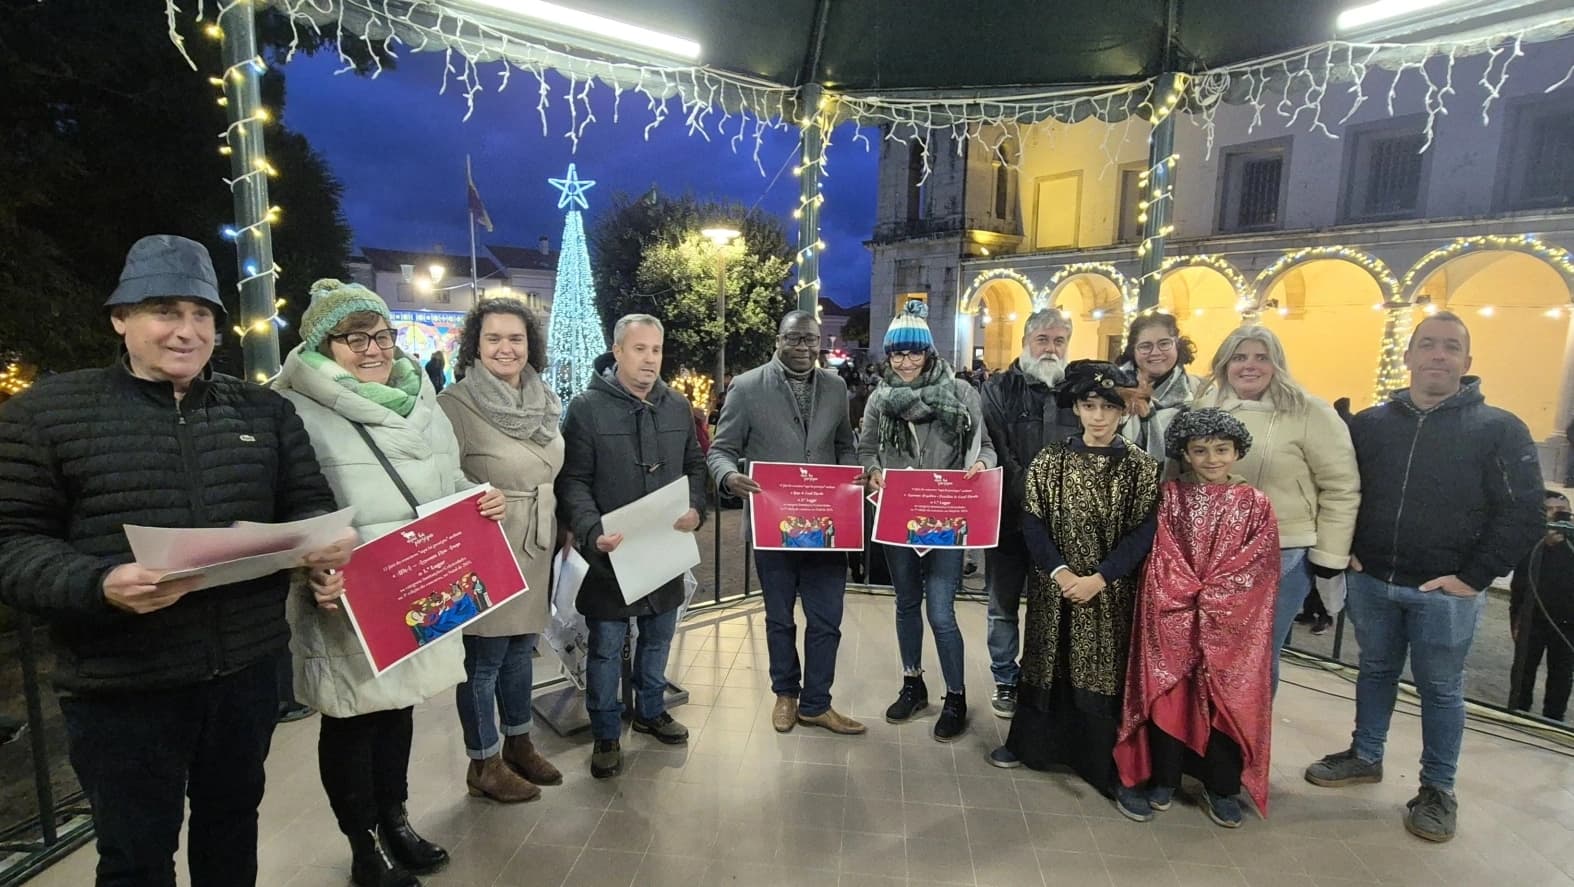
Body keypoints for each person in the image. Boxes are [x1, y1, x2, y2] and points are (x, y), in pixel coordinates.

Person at [0, 235, 349, 886]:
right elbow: (13, 541)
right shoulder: (47, 415)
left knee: (231, 829)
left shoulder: (264, 412)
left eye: (201, 314)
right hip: (123, 686)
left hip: (244, 673)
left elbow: (307, 502)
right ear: (120, 318)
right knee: (135, 855)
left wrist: (323, 554)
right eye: (164, 310)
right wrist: (100, 582)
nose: (186, 331)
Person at [275, 279, 507, 887]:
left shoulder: (419, 396)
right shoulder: (292, 407)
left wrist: (478, 499)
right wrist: (309, 563)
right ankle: (363, 843)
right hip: (347, 591)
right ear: (322, 345)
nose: (374, 349)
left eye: (382, 335)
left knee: (398, 708)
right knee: (352, 718)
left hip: (417, 581)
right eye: (355, 338)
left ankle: (395, 820)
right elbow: (284, 504)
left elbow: (445, 477)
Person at [1304, 311, 1543, 844]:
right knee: (1374, 671)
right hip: (1373, 580)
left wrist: (1475, 576)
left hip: (1446, 593)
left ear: (1467, 361)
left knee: (1440, 690)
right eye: (1428, 344)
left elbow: (1524, 511)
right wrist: (1349, 549)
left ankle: (1437, 789)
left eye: (1450, 347)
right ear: (1408, 355)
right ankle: (1366, 754)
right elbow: (1342, 488)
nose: (1438, 354)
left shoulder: (1499, 429)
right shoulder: (1371, 424)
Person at [988, 360, 1161, 801]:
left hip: (1108, 592)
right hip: (1055, 587)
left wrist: (1100, 578)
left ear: (1122, 412)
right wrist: (1061, 572)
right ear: (1077, 409)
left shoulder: (1140, 467)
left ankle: (1102, 761)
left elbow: (1143, 531)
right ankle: (1031, 745)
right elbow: (1033, 520)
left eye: (1108, 407)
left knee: (1101, 668)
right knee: (1046, 657)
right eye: (1090, 406)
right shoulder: (1052, 460)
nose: (1098, 416)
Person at [556, 314, 708, 779]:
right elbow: (573, 480)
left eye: (656, 350)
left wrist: (696, 507)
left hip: (664, 550)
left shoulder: (677, 406)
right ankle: (606, 733)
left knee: (659, 636)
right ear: (618, 351)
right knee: (606, 646)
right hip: (611, 553)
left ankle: (650, 710)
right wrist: (591, 529)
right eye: (639, 349)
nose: (649, 359)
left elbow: (695, 466)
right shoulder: (585, 408)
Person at [1113, 409, 1280, 828]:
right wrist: (1185, 594)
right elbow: (1163, 551)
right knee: (1171, 693)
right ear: (1185, 453)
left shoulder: (1256, 504)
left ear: (1237, 452)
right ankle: (1165, 778)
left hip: (1231, 622)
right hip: (1173, 613)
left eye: (1222, 450)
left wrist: (1217, 599)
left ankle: (1221, 785)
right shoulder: (1170, 496)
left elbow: (1258, 564)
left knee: (1224, 697)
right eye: (1200, 450)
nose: (1211, 459)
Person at [710, 310, 864, 736]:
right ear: (778, 340)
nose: (803, 347)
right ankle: (785, 694)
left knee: (826, 619)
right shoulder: (747, 387)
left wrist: (851, 475)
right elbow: (720, 450)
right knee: (780, 618)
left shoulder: (835, 387)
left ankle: (817, 704)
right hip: (774, 527)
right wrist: (728, 477)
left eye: (810, 340)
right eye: (794, 339)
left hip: (827, 527)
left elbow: (844, 445)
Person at [437, 298, 565, 804]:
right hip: (487, 540)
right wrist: (472, 497)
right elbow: (439, 478)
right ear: (476, 344)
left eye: (516, 338)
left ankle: (518, 742)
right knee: (484, 657)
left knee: (519, 650)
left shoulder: (544, 399)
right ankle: (484, 761)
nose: (505, 348)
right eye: (493, 338)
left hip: (536, 536)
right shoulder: (455, 404)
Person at [858, 300, 996, 742]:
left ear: (928, 352)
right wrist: (873, 471)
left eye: (914, 352)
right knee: (905, 603)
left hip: (946, 518)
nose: (905, 362)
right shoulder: (880, 399)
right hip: (898, 516)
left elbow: (985, 445)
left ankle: (955, 696)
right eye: (897, 353)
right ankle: (912, 683)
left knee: (940, 610)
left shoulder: (960, 393)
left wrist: (980, 464)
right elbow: (866, 450)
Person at [1194, 325, 1360, 689]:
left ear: (1277, 363)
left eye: (1261, 357)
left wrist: (1330, 556)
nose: (1249, 366)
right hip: (1214, 553)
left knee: (1257, 658)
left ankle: (1251, 727)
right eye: (1239, 357)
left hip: (1283, 552)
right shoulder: (1205, 407)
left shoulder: (1309, 411)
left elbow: (1341, 486)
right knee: (1210, 654)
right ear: (1224, 364)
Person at [979, 308, 1082, 719]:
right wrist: (1036, 499)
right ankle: (1006, 678)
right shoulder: (999, 388)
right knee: (1002, 605)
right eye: (1042, 340)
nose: (1050, 348)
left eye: (1059, 341)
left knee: (1049, 606)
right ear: (1026, 342)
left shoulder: (1076, 390)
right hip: (1007, 519)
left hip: (1060, 526)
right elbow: (999, 450)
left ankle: (1038, 679)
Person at [1508, 490, 1574, 722]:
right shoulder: (1532, 543)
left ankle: (1553, 718)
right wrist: (1515, 618)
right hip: (1532, 618)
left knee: (1562, 674)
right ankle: (1518, 712)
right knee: (1523, 670)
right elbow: (1518, 584)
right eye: (1550, 511)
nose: (1556, 516)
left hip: (1568, 623)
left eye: (1562, 511)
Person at [1118, 313, 1203, 461]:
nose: (1156, 352)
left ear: (1177, 345)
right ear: (1133, 350)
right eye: (1145, 346)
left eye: (1164, 344)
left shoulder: (1200, 391)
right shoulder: (1111, 389)